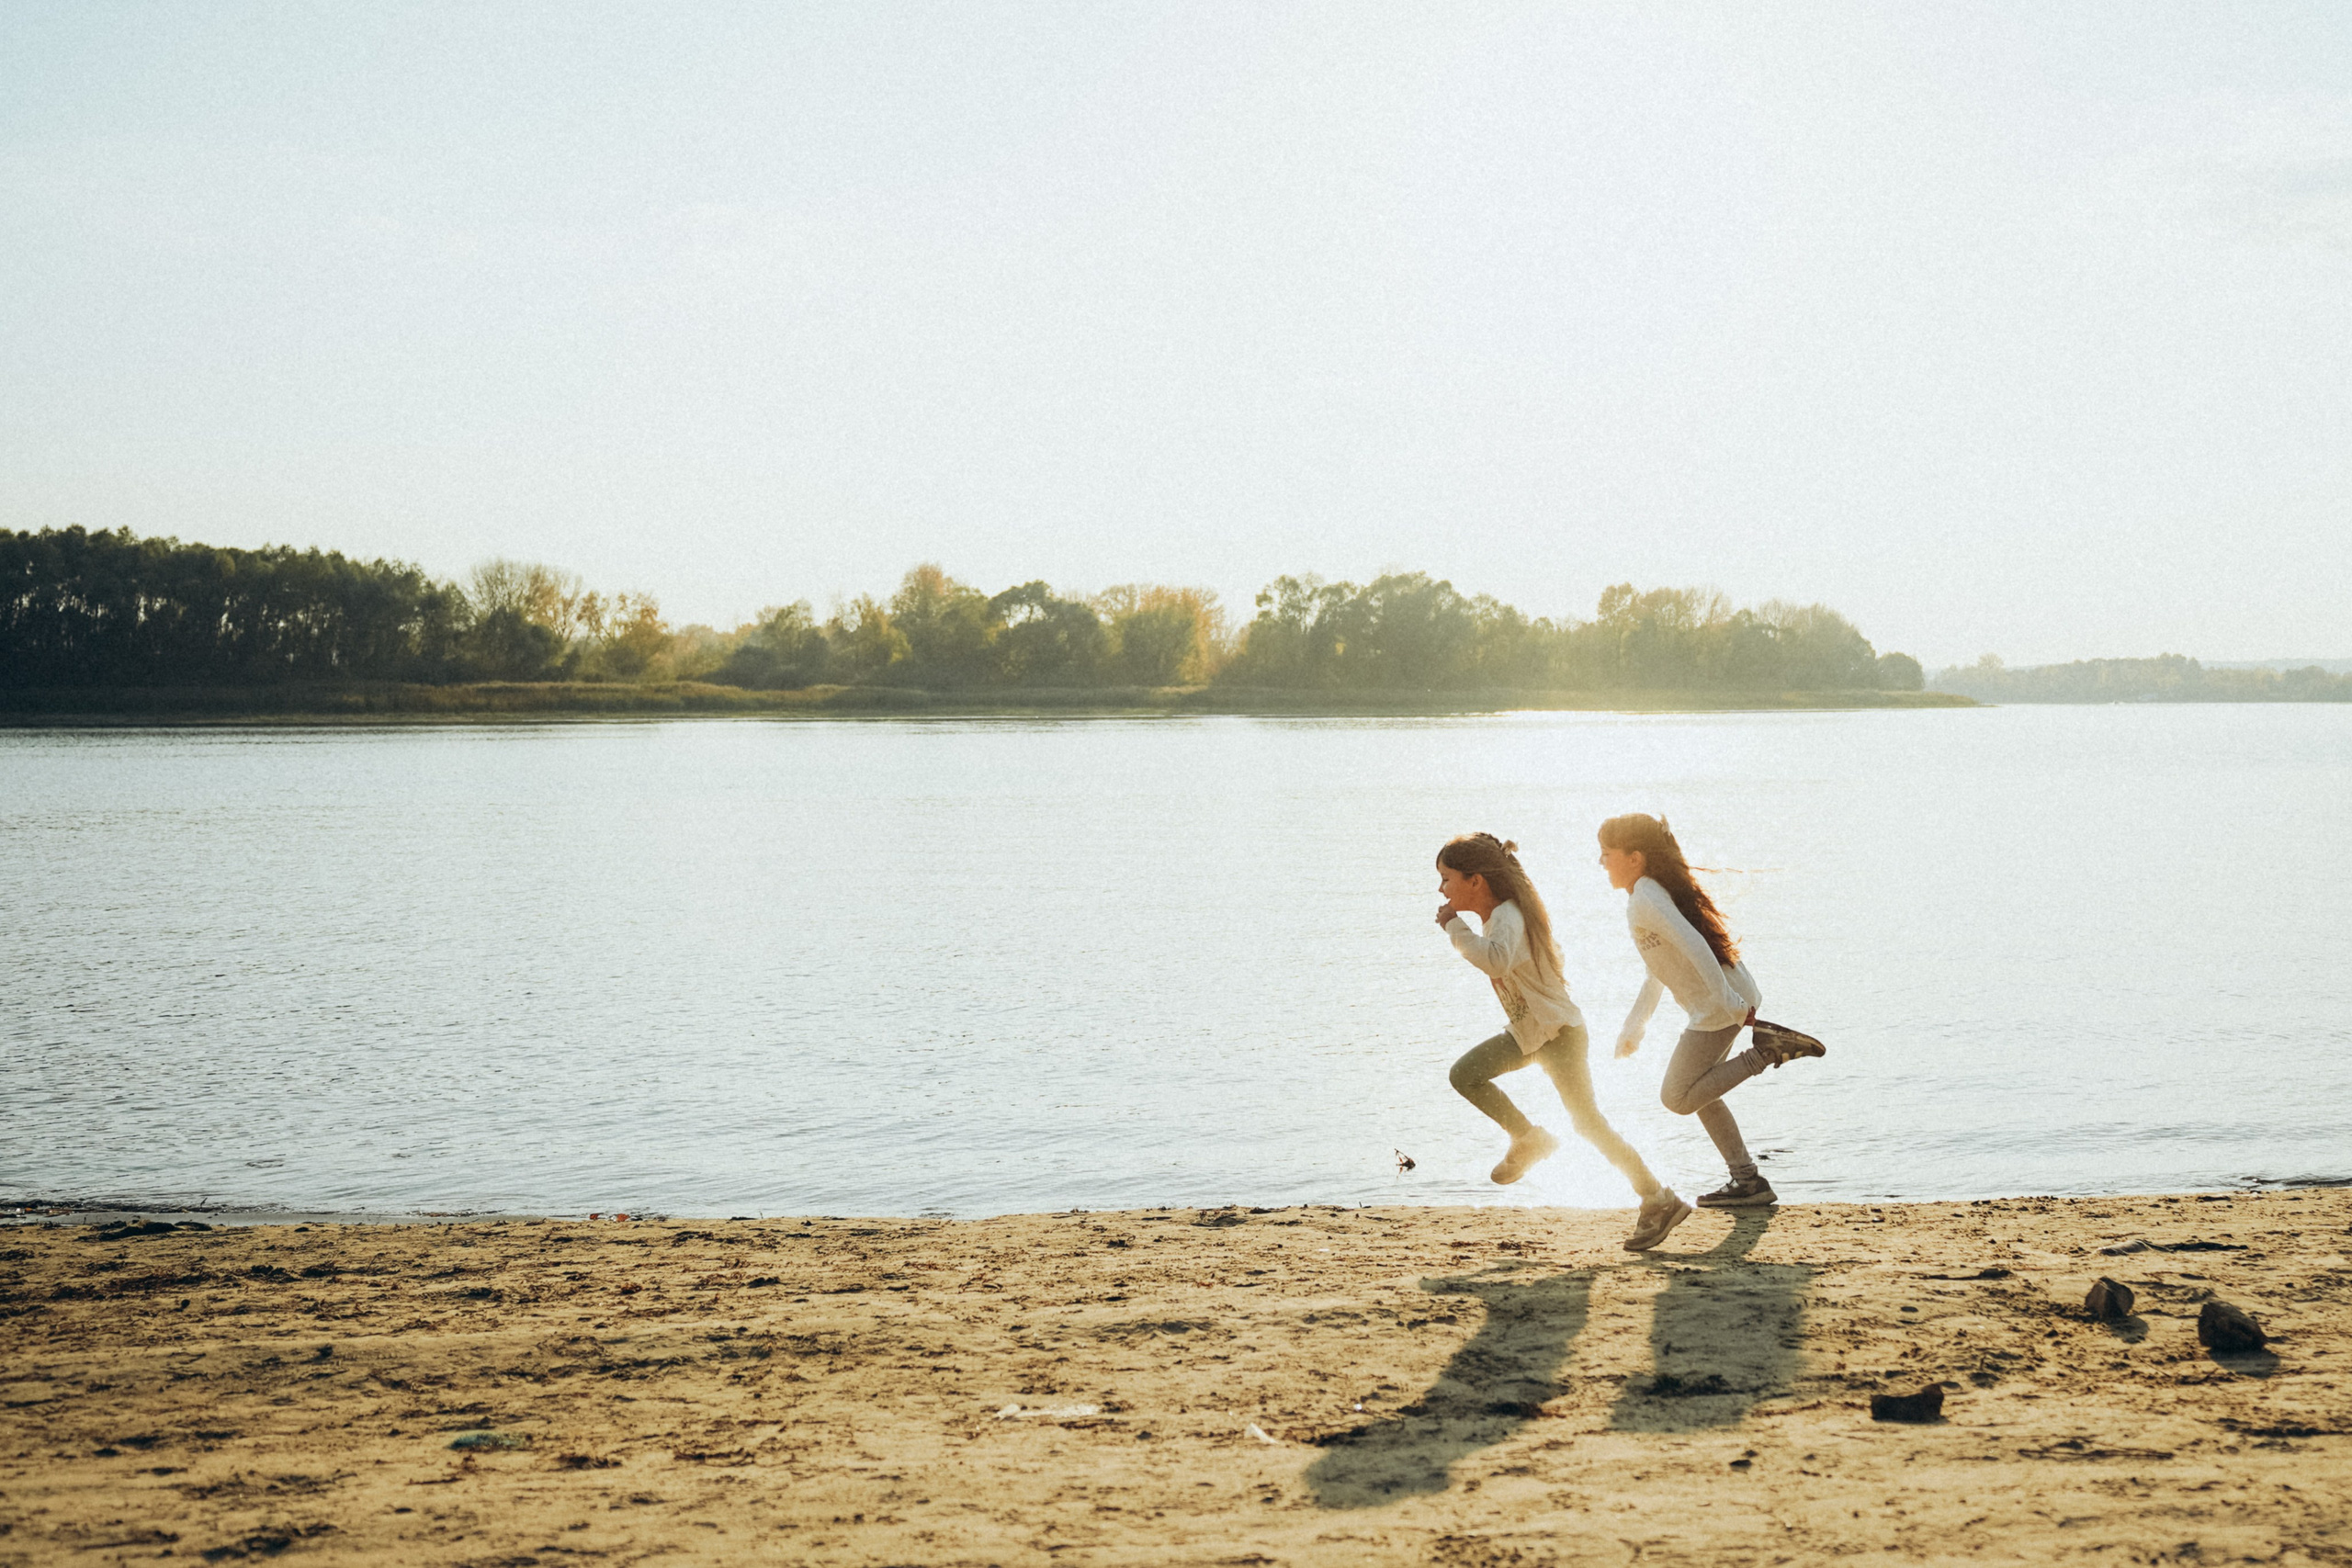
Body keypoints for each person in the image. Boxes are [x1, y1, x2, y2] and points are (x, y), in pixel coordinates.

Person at [1437, 831, 1694, 1252]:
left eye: (1446, 878)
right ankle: (1529, 1137)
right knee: (1466, 1075)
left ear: (1475, 881)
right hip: (1531, 1035)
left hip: (1559, 1036)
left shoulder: (1508, 917)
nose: (1441, 889)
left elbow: (1495, 959)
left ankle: (1658, 1198)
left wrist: (1453, 926)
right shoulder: (1498, 918)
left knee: (1588, 1124)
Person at [1598, 813, 1826, 1208]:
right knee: (1702, 1090)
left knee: (1677, 1097)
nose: (1601, 862)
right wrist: (1635, 1027)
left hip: (1720, 1007)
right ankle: (1748, 1181)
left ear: (1634, 858)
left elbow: (1695, 946)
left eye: (1606, 854)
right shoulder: (1648, 893)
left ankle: (1766, 1052)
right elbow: (1659, 968)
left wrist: (1729, 1005)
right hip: (1725, 1001)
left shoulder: (1646, 898)